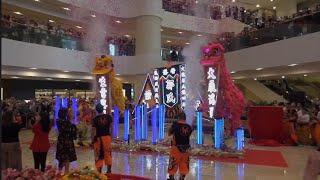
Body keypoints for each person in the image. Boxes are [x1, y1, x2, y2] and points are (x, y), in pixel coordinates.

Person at [167, 111, 193, 180]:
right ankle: (182, 178)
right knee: (184, 164)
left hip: (176, 148)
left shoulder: (175, 125)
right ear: (185, 118)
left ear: (178, 118)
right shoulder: (189, 127)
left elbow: (169, 133)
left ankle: (171, 178)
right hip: (186, 148)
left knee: (173, 163)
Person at [92, 104, 113, 173]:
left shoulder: (95, 119)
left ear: (96, 110)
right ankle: (109, 170)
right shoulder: (109, 117)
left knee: (98, 154)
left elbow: (94, 131)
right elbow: (111, 128)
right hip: (107, 137)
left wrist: (92, 140)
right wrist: (111, 136)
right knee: (108, 153)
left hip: (98, 139)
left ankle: (99, 171)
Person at [55, 108, 77, 173]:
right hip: (67, 141)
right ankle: (66, 172)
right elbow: (72, 131)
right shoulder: (67, 123)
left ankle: (59, 171)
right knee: (67, 157)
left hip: (61, 141)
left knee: (61, 156)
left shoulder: (58, 121)